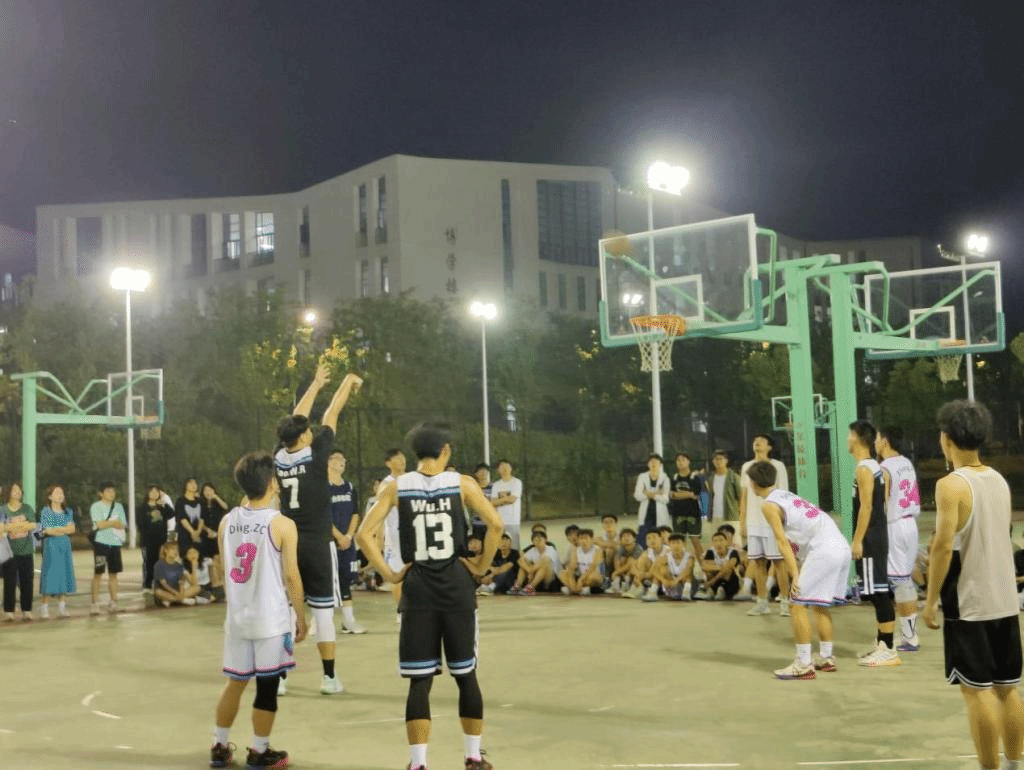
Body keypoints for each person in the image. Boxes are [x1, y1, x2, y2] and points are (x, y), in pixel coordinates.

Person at [356, 422, 504, 770]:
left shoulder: (396, 487)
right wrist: (481, 566)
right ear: (446, 449)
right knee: (465, 674)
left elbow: (364, 535)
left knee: (419, 680)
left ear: (414, 453)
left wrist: (390, 573)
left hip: (418, 587)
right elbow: (496, 525)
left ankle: (418, 763)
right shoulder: (462, 483)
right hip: (456, 587)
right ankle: (472, 757)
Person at [923, 400, 1023, 770]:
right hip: (1005, 601)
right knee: (1008, 689)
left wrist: (930, 601)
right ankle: (1013, 765)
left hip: (970, 604)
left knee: (977, 693)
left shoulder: (950, 485)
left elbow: (943, 546)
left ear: (946, 438)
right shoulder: (999, 480)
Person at [209, 451, 308, 770]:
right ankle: (259, 751)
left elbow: (224, 565)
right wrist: (301, 616)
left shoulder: (227, 521)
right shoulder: (282, 524)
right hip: (270, 620)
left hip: (238, 619)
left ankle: (219, 746)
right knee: (267, 686)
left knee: (235, 682)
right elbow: (292, 576)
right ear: (272, 482)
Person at [274, 364, 362, 695]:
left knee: (287, 610)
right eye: (306, 431)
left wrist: (314, 384)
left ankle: (280, 678)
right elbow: (332, 412)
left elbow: (297, 418)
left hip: (287, 543)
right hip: (317, 544)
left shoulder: (278, 456)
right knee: (323, 612)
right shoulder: (315, 455)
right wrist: (345, 382)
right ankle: (328, 678)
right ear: (303, 437)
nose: (311, 431)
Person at [748, 460, 852, 680]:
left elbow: (782, 542)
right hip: (840, 546)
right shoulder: (786, 495)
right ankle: (826, 657)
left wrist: (795, 574)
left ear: (754, 482)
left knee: (797, 603)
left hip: (823, 549)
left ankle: (803, 664)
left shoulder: (768, 505)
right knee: (819, 605)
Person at [848, 420, 899, 667]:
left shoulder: (864, 469)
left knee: (879, 593)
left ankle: (888, 648)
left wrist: (857, 540)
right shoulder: (877, 468)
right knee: (878, 590)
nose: (847, 439)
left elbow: (866, 507)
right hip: (877, 536)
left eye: (850, 434)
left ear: (858, 439)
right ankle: (882, 644)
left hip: (870, 538)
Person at [875, 425, 923, 653]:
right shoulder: (906, 463)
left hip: (894, 525)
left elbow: (882, 504)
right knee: (904, 581)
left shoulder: (884, 468)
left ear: (884, 441)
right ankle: (909, 635)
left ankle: (909, 637)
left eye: (877, 438)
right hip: (910, 523)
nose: (875, 443)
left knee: (900, 583)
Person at [739, 434, 791, 616]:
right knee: (758, 562)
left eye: (761, 442)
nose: (757, 443)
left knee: (779, 561)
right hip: (753, 522)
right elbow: (744, 496)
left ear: (769, 447)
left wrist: (782, 519)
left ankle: (785, 601)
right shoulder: (746, 466)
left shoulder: (778, 466)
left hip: (772, 520)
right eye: (755, 441)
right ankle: (762, 602)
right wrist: (742, 521)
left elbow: (784, 494)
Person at [328, 450, 365, 634]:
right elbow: (322, 517)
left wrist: (348, 536)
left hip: (347, 543)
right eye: (338, 458)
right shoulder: (321, 488)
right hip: (329, 542)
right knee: (326, 581)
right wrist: (338, 536)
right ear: (328, 462)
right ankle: (319, 621)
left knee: (346, 580)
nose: (342, 461)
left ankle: (348, 621)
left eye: (344, 458)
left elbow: (355, 514)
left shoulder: (350, 487)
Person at [37, 485, 77, 619]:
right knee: (50, 575)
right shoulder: (46, 511)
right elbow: (47, 530)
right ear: (50, 496)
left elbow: (72, 529)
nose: (60, 495)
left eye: (62, 493)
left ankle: (62, 608)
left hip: (65, 546)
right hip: (51, 546)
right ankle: (44, 608)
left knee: (64, 574)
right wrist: (63, 529)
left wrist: (57, 530)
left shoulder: (68, 512)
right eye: (57, 492)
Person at [90, 482, 127, 615]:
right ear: (101, 493)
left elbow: (123, 524)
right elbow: (100, 524)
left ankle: (114, 602)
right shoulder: (96, 506)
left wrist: (110, 523)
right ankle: (94, 603)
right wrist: (113, 523)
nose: (111, 493)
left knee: (114, 573)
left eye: (113, 491)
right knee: (98, 573)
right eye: (108, 491)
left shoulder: (119, 506)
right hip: (101, 544)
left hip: (115, 544)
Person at [1, 482, 36, 622]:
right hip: (9, 552)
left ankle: (27, 610)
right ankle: (9, 611)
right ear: (8, 492)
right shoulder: (3, 509)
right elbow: (2, 528)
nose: (18, 492)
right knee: (9, 582)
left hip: (26, 550)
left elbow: (32, 525)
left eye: (19, 490)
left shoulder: (27, 508)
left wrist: (12, 526)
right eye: (15, 489)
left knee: (27, 581)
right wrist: (22, 525)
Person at [138, 484, 174, 591]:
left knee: (161, 562)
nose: (154, 494)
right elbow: (140, 524)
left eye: (156, 491)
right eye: (152, 491)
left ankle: (160, 584)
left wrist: (164, 504)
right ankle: (147, 585)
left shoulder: (161, 507)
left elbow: (172, 514)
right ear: (148, 493)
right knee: (149, 563)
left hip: (161, 540)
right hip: (148, 541)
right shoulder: (142, 508)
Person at [669, 453, 704, 560]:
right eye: (678, 460)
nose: (680, 462)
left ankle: (704, 566)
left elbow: (697, 495)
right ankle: (682, 566)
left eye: (683, 460)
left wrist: (681, 495)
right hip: (678, 514)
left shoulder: (695, 477)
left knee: (695, 541)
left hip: (693, 514)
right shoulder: (674, 478)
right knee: (679, 542)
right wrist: (688, 494)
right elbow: (672, 495)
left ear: (688, 461)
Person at [633, 454, 670, 544]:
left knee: (661, 540)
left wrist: (649, 493)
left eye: (656, 462)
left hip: (660, 514)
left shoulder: (665, 478)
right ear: (648, 464)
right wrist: (657, 493)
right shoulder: (642, 477)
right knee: (643, 540)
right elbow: (637, 495)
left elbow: (665, 498)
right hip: (646, 514)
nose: (653, 464)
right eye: (651, 462)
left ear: (660, 464)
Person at [154, 542, 204, 607]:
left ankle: (172, 600)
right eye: (173, 549)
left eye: (177, 549)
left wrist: (181, 593)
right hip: (166, 592)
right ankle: (181, 600)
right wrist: (175, 593)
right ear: (166, 551)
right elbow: (163, 584)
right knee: (158, 592)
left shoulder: (179, 566)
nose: (175, 552)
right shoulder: (159, 565)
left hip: (177, 592)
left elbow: (182, 583)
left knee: (197, 588)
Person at [698, 531, 742, 601]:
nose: (718, 543)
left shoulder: (733, 552)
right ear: (712, 543)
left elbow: (730, 567)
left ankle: (718, 589)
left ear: (726, 542)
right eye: (715, 541)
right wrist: (721, 567)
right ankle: (714, 590)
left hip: (730, 581)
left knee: (728, 572)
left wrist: (712, 581)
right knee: (709, 573)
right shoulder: (710, 552)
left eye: (721, 540)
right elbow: (705, 567)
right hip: (716, 579)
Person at [490, 460, 524, 550]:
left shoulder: (517, 482)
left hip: (513, 521)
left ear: (511, 469)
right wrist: (506, 499)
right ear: (498, 470)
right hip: (500, 521)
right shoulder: (496, 485)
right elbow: (493, 502)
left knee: (514, 547)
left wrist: (500, 500)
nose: (505, 469)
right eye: (502, 468)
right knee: (501, 547)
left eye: (507, 467)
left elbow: (512, 499)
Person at [200, 482, 229, 585]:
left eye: (210, 490)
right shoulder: (201, 504)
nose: (208, 492)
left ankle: (222, 581)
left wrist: (215, 497)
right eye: (205, 490)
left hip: (218, 534)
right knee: (210, 560)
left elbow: (226, 507)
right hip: (206, 534)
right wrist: (207, 530)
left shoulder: (217, 502)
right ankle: (214, 583)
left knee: (219, 557)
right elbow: (199, 520)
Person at [559, 528, 603, 596]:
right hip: (579, 575)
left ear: (591, 539)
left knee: (595, 577)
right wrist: (572, 582)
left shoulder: (597, 549)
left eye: (586, 538)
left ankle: (580, 588)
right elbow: (572, 567)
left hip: (590, 574)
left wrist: (581, 580)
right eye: (581, 538)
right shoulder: (576, 550)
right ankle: (575, 589)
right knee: (562, 573)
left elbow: (593, 567)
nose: (583, 541)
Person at [654, 534, 696, 601]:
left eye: (678, 543)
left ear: (684, 544)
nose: (676, 545)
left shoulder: (690, 556)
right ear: (669, 544)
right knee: (662, 571)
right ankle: (652, 592)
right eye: (673, 543)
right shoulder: (664, 557)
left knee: (688, 574)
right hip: (672, 584)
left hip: (686, 583)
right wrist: (664, 580)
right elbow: (654, 570)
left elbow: (689, 569)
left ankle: (686, 592)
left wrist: (676, 580)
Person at [175, 478, 206, 570]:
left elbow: (202, 518)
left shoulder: (200, 501)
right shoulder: (180, 501)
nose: (193, 485)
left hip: (198, 535)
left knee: (199, 558)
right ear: (185, 486)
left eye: (195, 483)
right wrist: (192, 532)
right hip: (185, 535)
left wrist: (198, 531)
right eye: (190, 483)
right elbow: (182, 518)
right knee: (187, 558)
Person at [707, 450, 742, 527]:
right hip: (715, 516)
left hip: (731, 516)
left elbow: (741, 497)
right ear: (713, 461)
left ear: (726, 461)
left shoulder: (734, 477)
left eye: (721, 459)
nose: (718, 461)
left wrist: (740, 514)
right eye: (716, 459)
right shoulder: (711, 478)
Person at [610, 528, 643, 595]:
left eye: (628, 536)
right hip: (625, 571)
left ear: (634, 538)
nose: (626, 538)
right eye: (624, 536)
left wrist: (616, 572)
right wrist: (618, 573)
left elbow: (631, 563)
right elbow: (616, 561)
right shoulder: (621, 548)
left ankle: (632, 585)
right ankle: (619, 582)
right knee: (622, 559)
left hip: (637, 570)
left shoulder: (638, 548)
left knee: (630, 561)